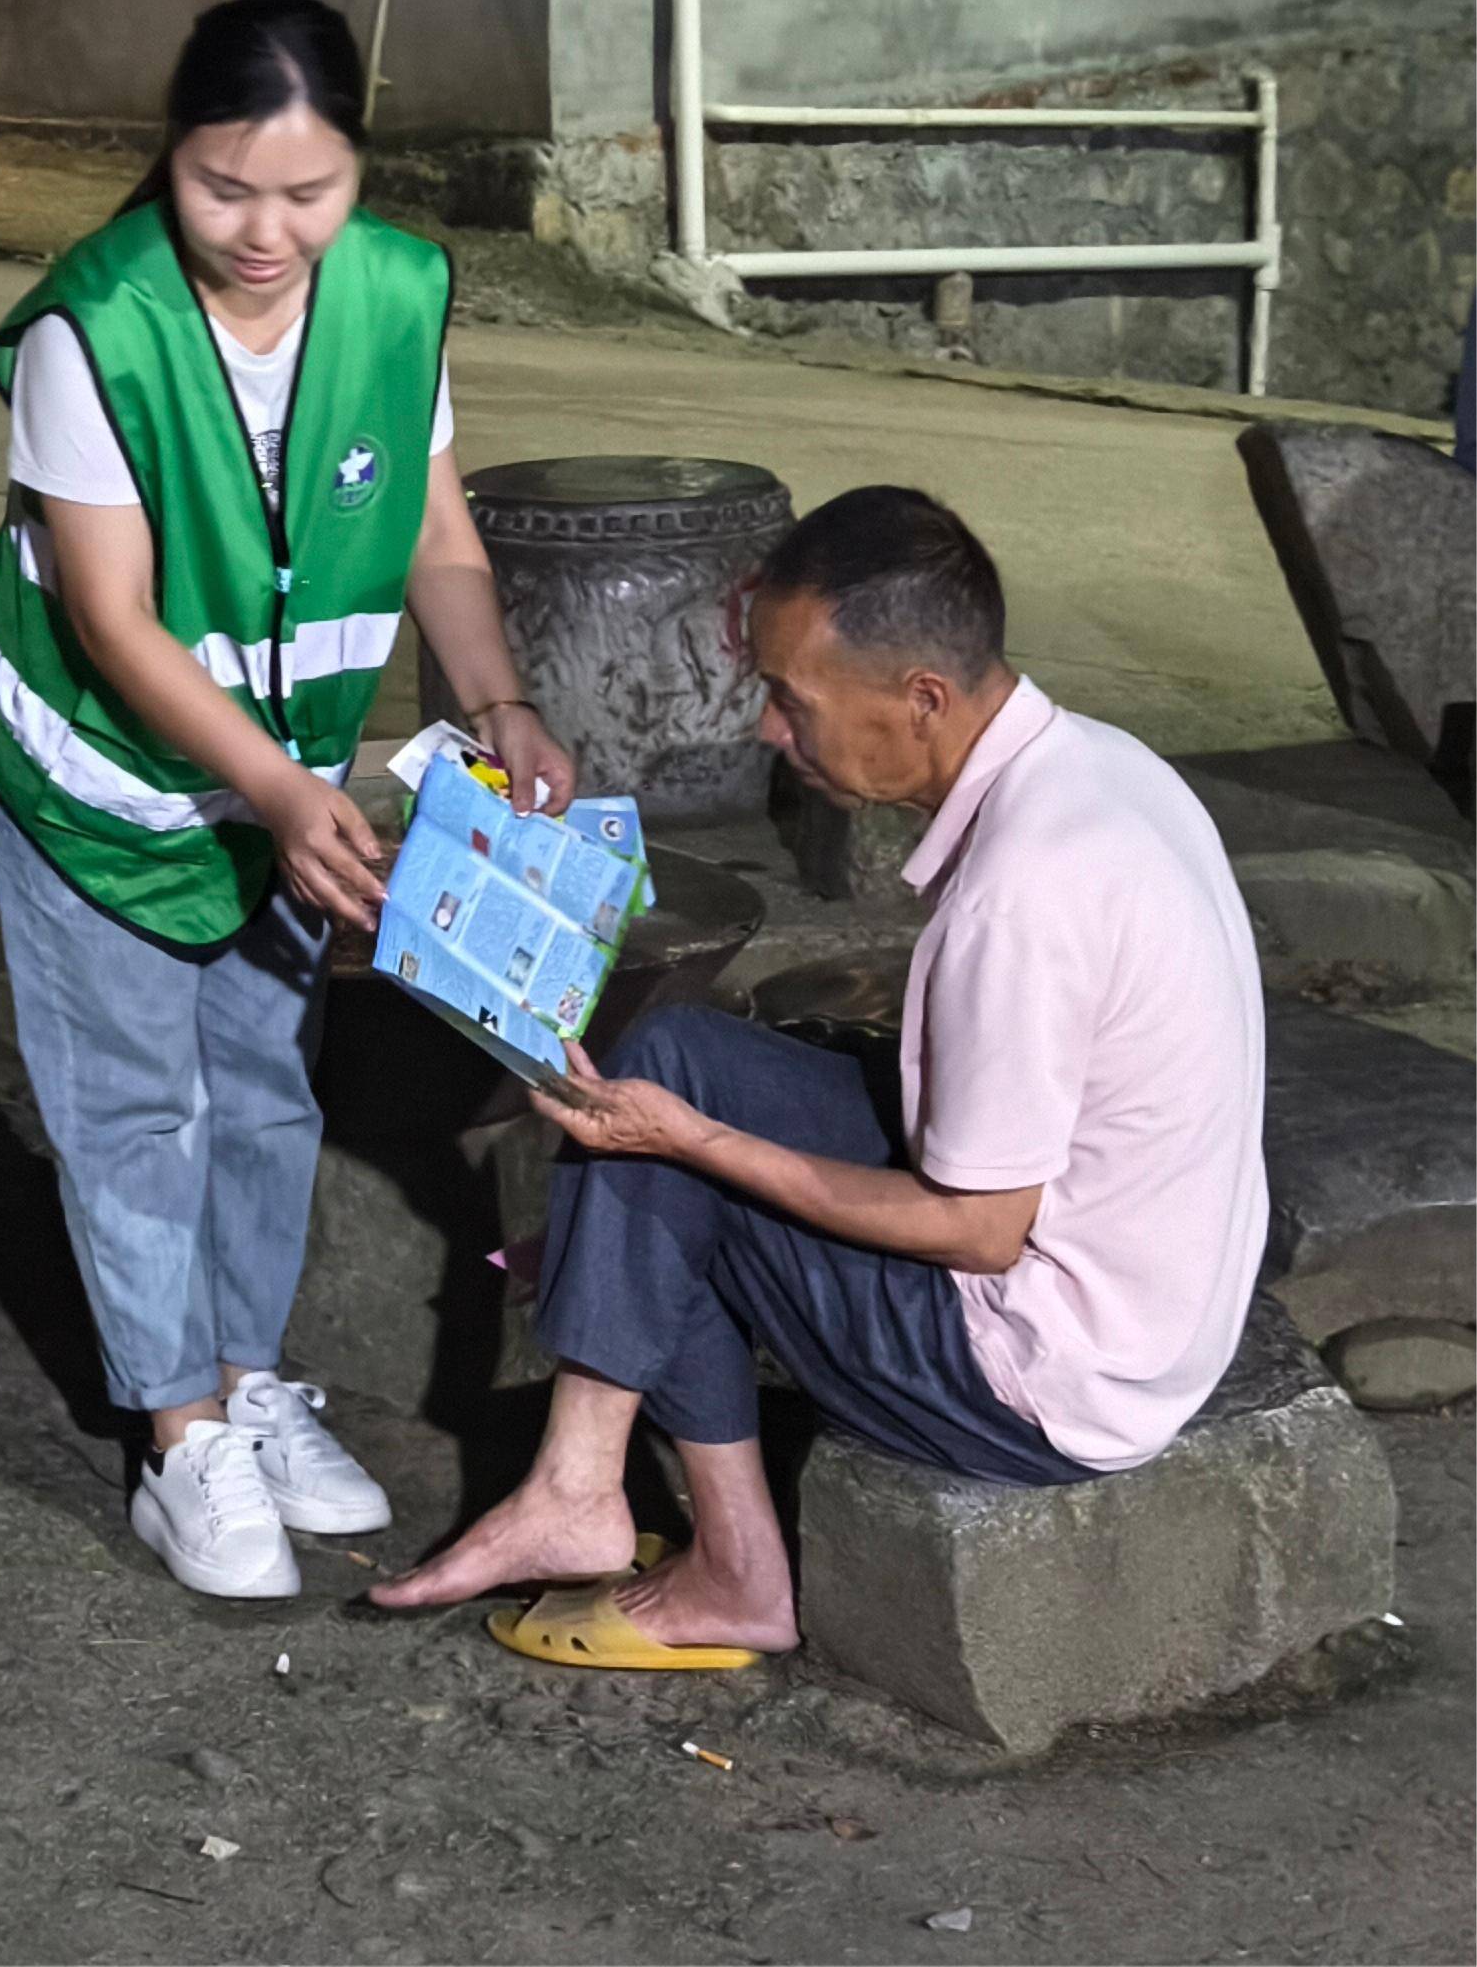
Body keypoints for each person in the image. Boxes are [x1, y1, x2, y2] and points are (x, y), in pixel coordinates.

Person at [370, 488, 1268, 1669]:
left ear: (921, 699)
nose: (768, 730)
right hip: (1149, 1290)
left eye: (791, 699)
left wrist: (688, 1151)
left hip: (1046, 1379)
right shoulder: (1101, 767)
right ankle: (577, 1479)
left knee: (668, 1168)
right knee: (669, 1058)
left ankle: (725, 1567)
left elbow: (980, 1229)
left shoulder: (1023, 896)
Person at [0, 0, 578, 1600]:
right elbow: (110, 619)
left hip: (277, 782)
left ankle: (242, 1380)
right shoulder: (90, 333)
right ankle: (173, 1437)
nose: (262, 230)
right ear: (168, 158)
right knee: (133, 1109)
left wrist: (494, 697)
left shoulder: (395, 294)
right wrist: (280, 796)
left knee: (263, 1086)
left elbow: (433, 535)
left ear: (358, 171)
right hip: (104, 783)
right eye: (222, 186)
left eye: (305, 193)